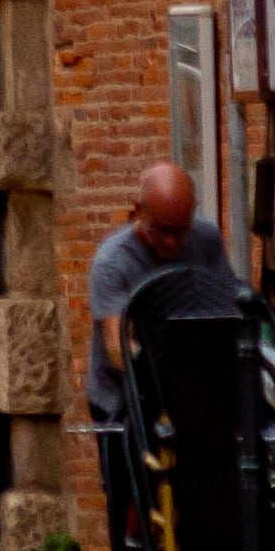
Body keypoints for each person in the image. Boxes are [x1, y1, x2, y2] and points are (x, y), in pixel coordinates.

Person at [86, 157, 238, 418]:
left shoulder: (206, 238)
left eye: (180, 231)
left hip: (190, 390)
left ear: (193, 212)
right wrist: (167, 373)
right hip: (121, 397)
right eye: (161, 230)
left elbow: (226, 305)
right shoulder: (112, 262)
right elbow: (118, 347)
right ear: (138, 211)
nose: (171, 242)